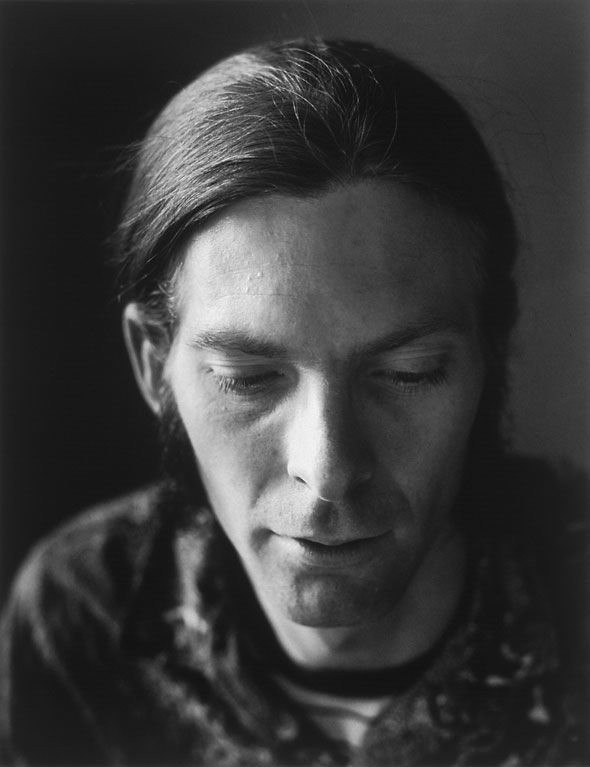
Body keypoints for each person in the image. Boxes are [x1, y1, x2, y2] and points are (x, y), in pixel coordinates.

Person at [0, 38, 587, 766]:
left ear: (489, 355)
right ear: (153, 365)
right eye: (248, 377)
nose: (328, 469)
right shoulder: (84, 616)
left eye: (407, 373)